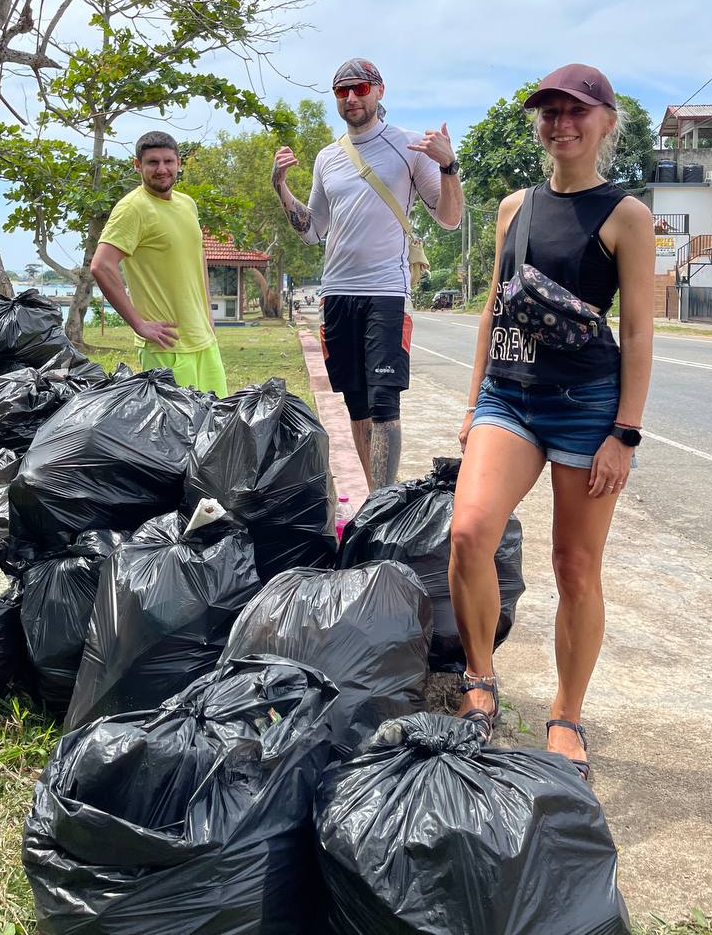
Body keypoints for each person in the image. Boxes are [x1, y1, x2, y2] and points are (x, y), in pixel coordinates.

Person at [450, 63, 654, 780]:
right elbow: (494, 309)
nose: (561, 122)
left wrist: (623, 433)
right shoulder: (515, 206)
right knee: (470, 532)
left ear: (606, 121)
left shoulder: (626, 216)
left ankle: (566, 713)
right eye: (550, 112)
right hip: (510, 398)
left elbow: (637, 331)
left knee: (575, 567)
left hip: (585, 409)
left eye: (577, 111)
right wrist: (475, 405)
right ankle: (479, 682)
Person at [272, 57, 463, 489]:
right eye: (342, 91)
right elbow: (312, 231)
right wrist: (281, 187)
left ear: (379, 90)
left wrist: (449, 167)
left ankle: (381, 502)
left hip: (385, 292)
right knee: (357, 404)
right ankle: (374, 499)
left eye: (360, 88)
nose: (352, 97)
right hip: (337, 293)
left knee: (384, 403)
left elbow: (449, 218)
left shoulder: (410, 147)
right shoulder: (327, 158)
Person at [90, 131, 227, 395]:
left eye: (168, 161)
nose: (162, 169)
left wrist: (207, 313)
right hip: (165, 347)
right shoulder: (133, 208)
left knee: (217, 424)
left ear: (179, 163)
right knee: (176, 433)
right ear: (137, 165)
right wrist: (139, 325)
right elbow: (101, 266)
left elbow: (197, 256)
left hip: (203, 339)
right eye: (153, 162)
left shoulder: (187, 204)